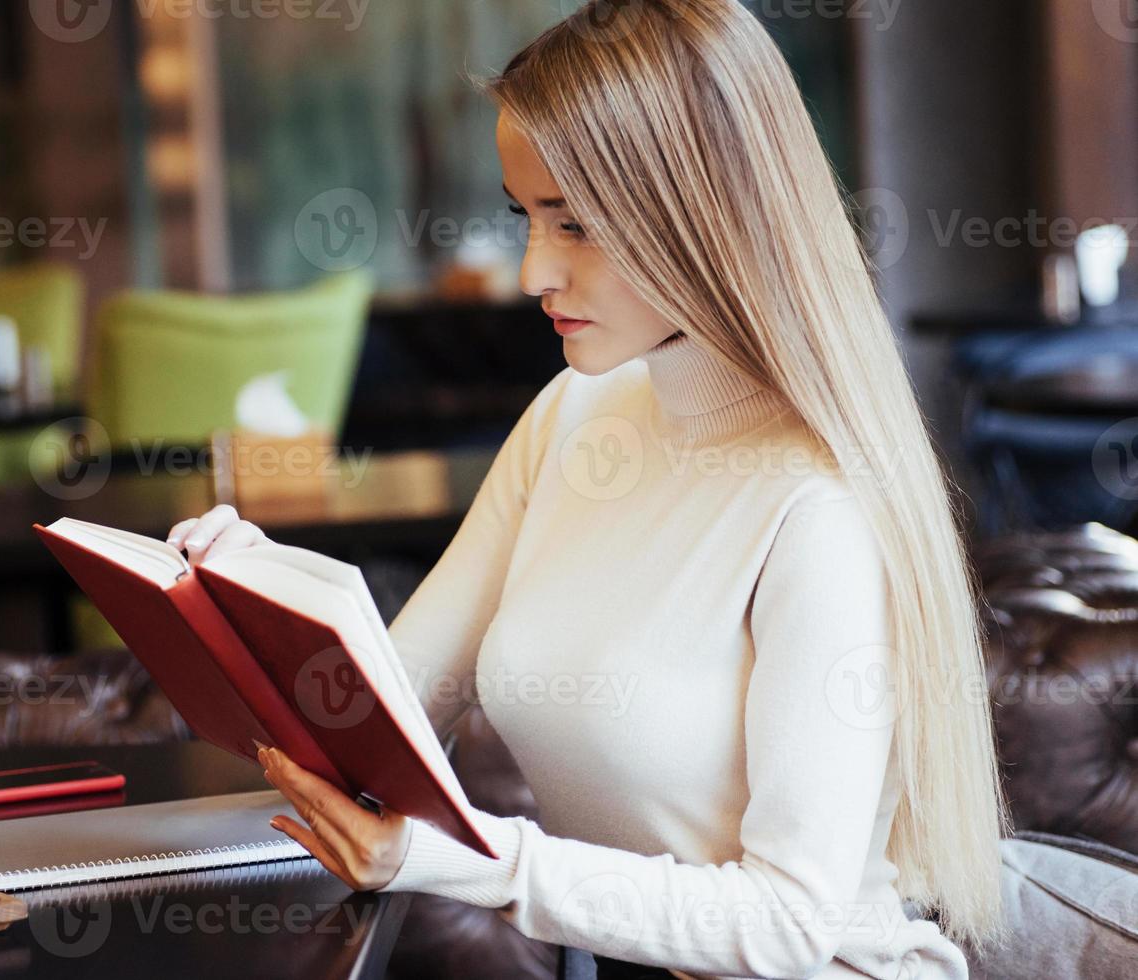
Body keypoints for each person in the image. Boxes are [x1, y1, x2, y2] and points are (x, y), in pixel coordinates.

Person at [167, 2, 1008, 976]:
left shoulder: (816, 504)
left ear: (701, 214)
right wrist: (257, 594)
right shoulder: (574, 412)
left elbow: (793, 923)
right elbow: (380, 715)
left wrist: (475, 861)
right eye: (525, 215)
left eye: (575, 223)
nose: (532, 269)